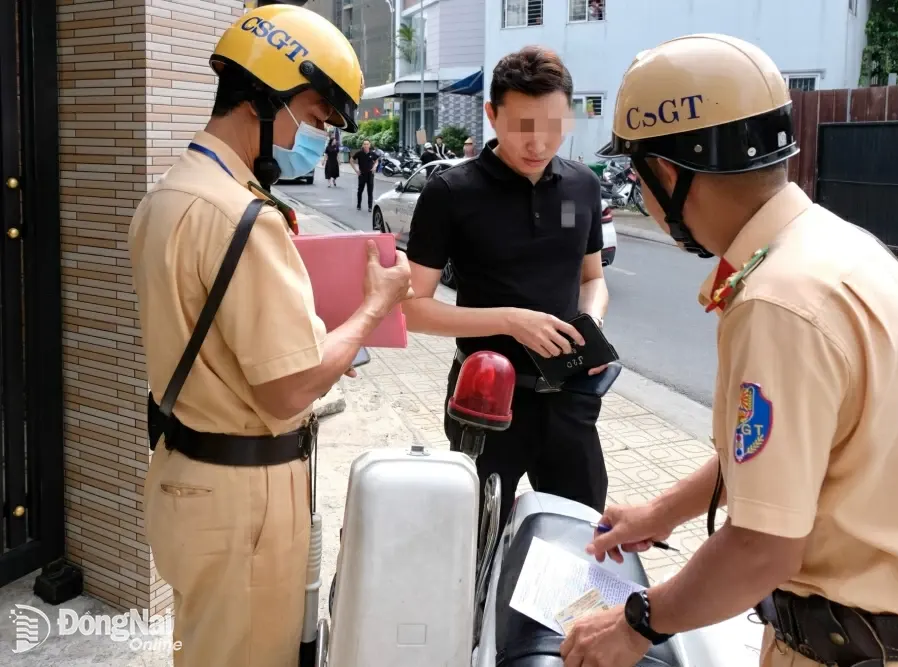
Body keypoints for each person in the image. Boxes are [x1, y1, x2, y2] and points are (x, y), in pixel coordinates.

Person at [558, 34, 898, 667]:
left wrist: (635, 624)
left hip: (855, 651)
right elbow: (794, 456)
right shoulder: (833, 245)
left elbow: (763, 547)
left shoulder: (777, 302)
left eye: (638, 172)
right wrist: (662, 510)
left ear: (668, 172)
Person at [128, 5, 412, 666]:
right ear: (266, 99)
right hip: (242, 502)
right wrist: (371, 309)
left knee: (203, 646)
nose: (315, 138)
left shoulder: (167, 196)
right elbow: (288, 389)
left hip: (180, 475)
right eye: (314, 119)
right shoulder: (245, 219)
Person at [403, 46, 610, 533]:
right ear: (491, 114)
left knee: (578, 539)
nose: (538, 143)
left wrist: (593, 324)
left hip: (568, 399)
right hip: (485, 401)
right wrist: (510, 320)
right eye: (522, 126)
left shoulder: (581, 186)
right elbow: (413, 308)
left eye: (554, 125)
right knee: (477, 541)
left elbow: (593, 278)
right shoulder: (451, 193)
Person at [350, 138, 378, 212]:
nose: (366, 145)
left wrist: (375, 166)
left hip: (370, 174)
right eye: (364, 144)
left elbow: (376, 161)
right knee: (360, 191)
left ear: (369, 145)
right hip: (362, 174)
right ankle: (358, 205)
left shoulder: (372, 153)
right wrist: (356, 170)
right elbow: (351, 160)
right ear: (363, 145)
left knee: (370, 191)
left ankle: (370, 207)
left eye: (367, 144)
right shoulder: (359, 153)